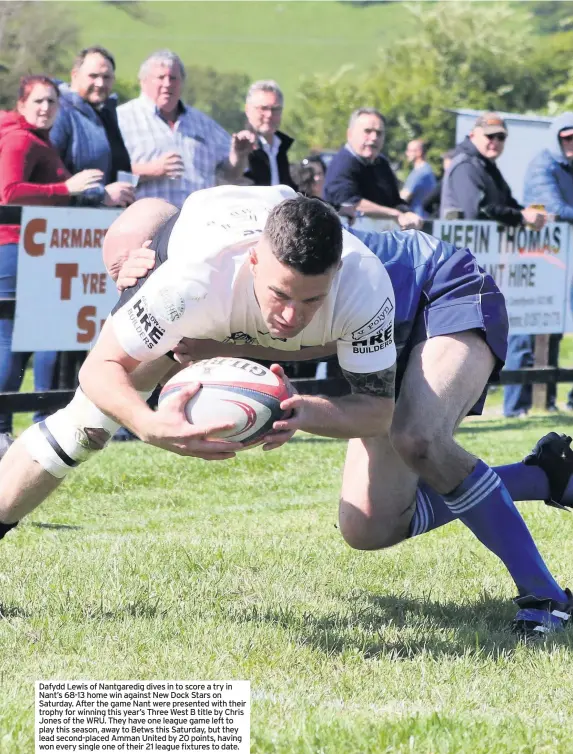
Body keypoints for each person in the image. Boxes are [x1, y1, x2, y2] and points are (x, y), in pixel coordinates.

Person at [57, 193, 573, 636]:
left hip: (442, 287)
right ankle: (545, 474)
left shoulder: (340, 273)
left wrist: (299, 411)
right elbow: (306, 335)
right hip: (382, 330)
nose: (126, 271)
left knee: (418, 438)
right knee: (370, 528)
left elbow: (375, 410)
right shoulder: (206, 266)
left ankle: (545, 597)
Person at [0, 75, 104, 443]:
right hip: (15, 247)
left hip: (35, 247)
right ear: (22, 104)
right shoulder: (18, 139)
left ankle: (41, 422)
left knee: (39, 334)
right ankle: (6, 427)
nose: (45, 108)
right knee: (10, 337)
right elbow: (9, 193)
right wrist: (65, 188)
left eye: (51, 102)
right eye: (38, 102)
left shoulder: (37, 139)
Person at [117, 50, 255, 208]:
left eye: (173, 78)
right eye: (161, 77)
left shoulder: (203, 123)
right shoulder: (122, 119)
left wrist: (238, 155)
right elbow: (109, 175)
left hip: (198, 223)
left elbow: (230, 175)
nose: (168, 84)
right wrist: (151, 170)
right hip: (147, 225)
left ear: (182, 82)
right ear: (143, 82)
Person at [504, 112, 573, 417]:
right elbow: (554, 208)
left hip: (559, 260)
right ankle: (516, 406)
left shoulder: (567, 166)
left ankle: (546, 401)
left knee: (553, 329)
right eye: (567, 137)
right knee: (525, 332)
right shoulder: (543, 164)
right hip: (536, 258)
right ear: (556, 138)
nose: (572, 143)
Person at [50, 46, 135, 209]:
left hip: (100, 224)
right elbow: (49, 174)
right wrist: (101, 195)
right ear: (74, 75)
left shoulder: (107, 113)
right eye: (93, 76)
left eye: (106, 77)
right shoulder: (59, 112)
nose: (100, 83)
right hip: (64, 224)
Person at [440, 112, 546, 229]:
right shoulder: (466, 165)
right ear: (472, 136)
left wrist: (529, 214)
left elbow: (507, 203)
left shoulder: (487, 165)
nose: (495, 142)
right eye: (489, 136)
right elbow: (478, 210)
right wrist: (521, 216)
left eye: (501, 137)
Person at [323, 108, 424, 230]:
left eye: (379, 133)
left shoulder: (382, 164)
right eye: (367, 131)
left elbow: (395, 201)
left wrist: (407, 213)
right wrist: (395, 214)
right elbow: (351, 204)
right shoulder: (342, 163)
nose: (374, 138)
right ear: (349, 134)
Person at [243, 80, 297, 190]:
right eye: (263, 108)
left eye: (275, 109)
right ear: (247, 110)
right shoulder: (241, 148)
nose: (269, 115)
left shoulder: (281, 148)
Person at [400, 139, 437, 218]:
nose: (407, 153)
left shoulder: (420, 173)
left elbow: (403, 198)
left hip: (417, 220)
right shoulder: (426, 169)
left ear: (419, 152)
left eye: (409, 150)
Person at [422, 149, 455, 218]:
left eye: (446, 160)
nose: (444, 163)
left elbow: (426, 202)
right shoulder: (448, 181)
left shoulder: (447, 181)